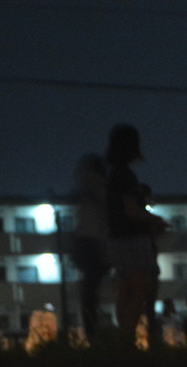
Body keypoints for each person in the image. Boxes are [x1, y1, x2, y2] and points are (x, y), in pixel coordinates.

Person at [104, 125, 167, 344]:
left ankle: (123, 340)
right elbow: (131, 210)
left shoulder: (112, 174)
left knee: (124, 290)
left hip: (116, 238)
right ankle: (126, 337)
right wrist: (155, 220)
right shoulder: (126, 175)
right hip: (132, 238)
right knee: (140, 289)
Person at [70, 153, 109, 341]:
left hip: (84, 241)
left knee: (90, 289)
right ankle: (93, 330)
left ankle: (92, 329)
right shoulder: (98, 183)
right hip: (94, 242)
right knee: (92, 290)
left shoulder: (82, 186)